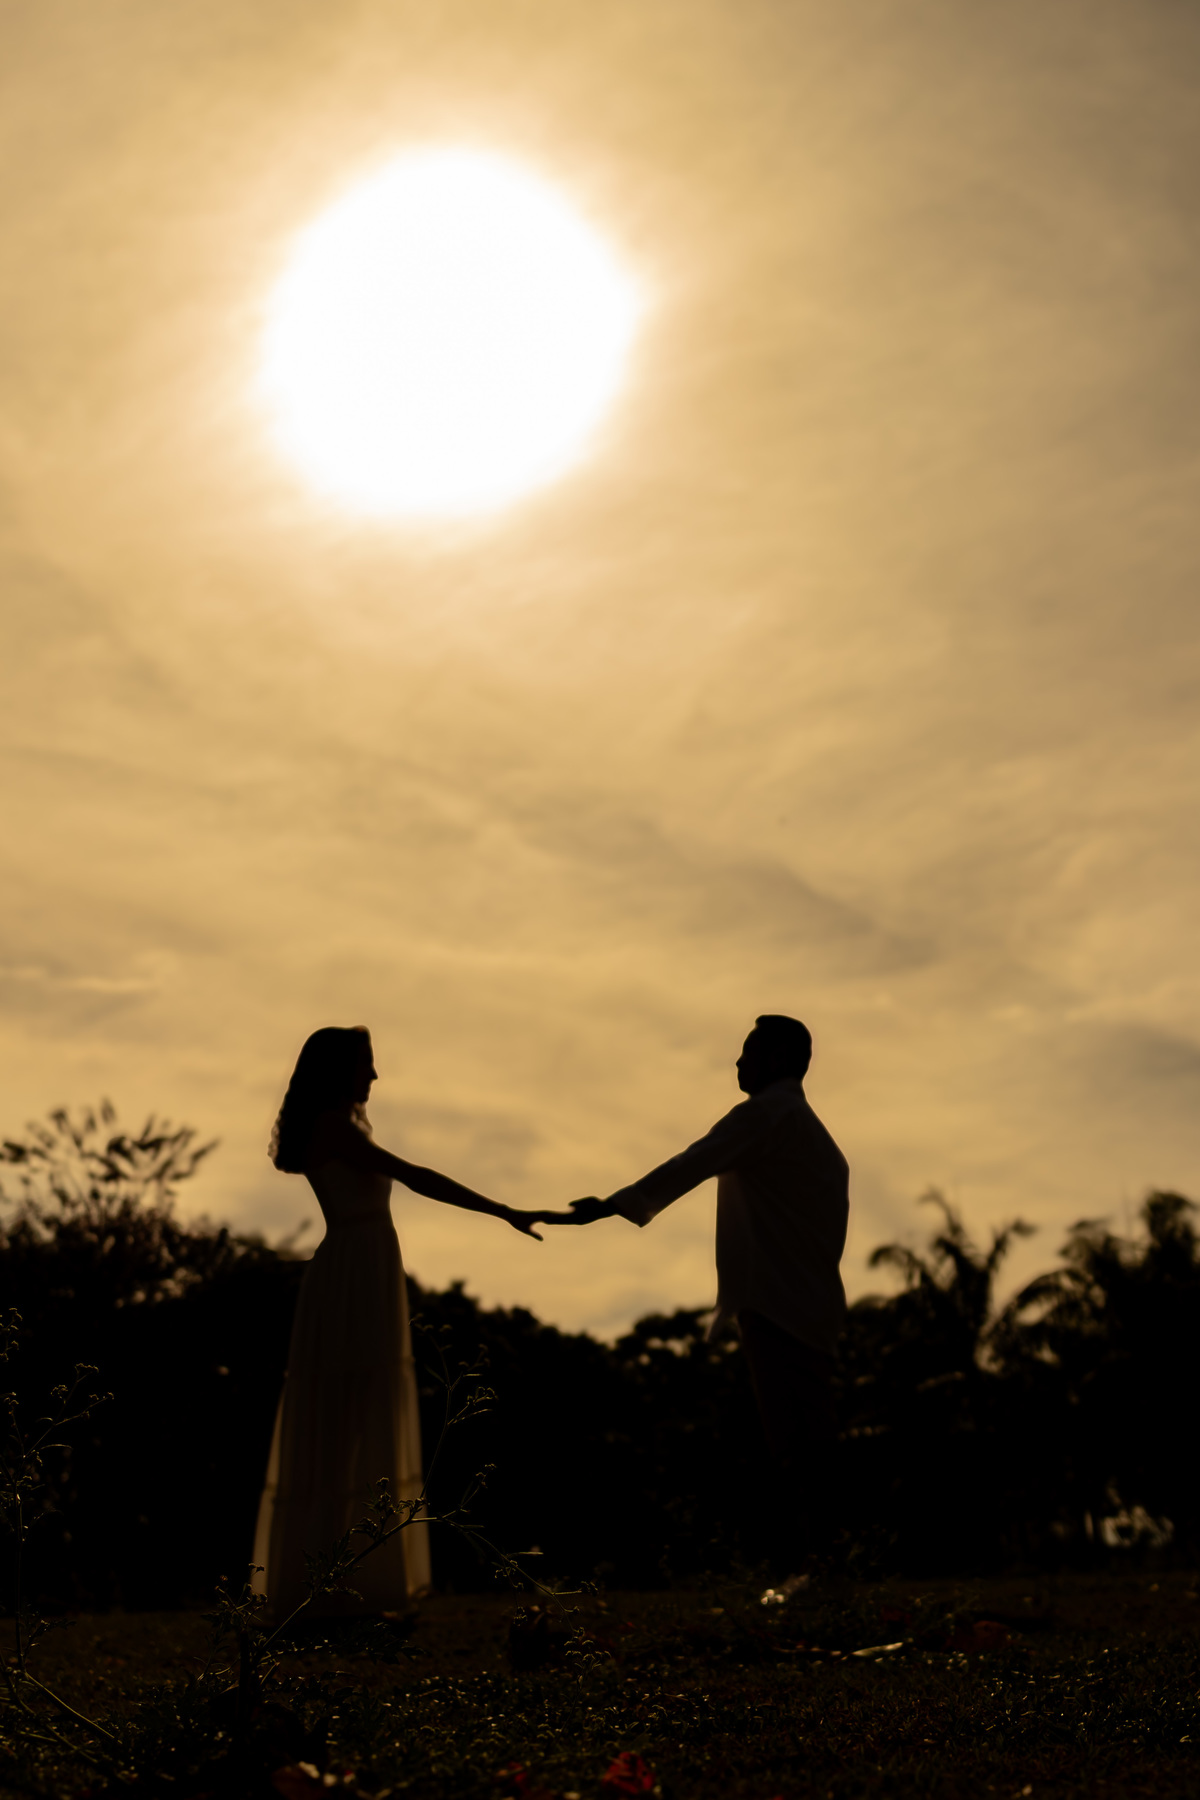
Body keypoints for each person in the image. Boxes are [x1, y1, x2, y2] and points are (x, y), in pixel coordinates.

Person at [252, 1025, 544, 1618]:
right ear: (339, 1070)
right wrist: (502, 1209)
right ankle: (322, 1585)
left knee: (358, 1417)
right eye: (366, 1063)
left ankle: (341, 1581)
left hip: (360, 1268)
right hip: (353, 1272)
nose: (375, 1075)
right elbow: (415, 1176)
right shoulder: (334, 1128)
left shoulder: (341, 1127)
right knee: (345, 1422)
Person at [560, 1014, 848, 1570]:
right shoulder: (810, 1132)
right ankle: (826, 1565)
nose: (737, 1062)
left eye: (748, 1051)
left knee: (798, 1442)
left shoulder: (768, 1114)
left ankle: (826, 1568)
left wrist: (613, 1205)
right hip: (804, 1301)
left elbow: (694, 1161)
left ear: (778, 1058)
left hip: (778, 1301)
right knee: (806, 1435)